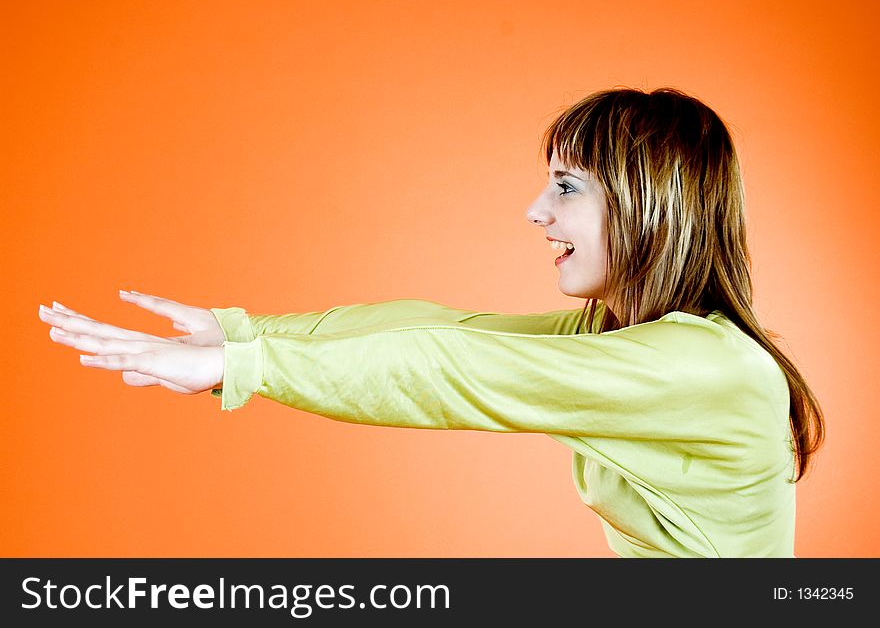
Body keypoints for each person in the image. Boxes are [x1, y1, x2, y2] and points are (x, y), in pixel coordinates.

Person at [38, 86, 825, 557]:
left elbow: (452, 368)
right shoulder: (617, 339)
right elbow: (446, 325)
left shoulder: (704, 367)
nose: (535, 210)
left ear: (650, 201)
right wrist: (240, 332)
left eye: (566, 186)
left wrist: (242, 368)